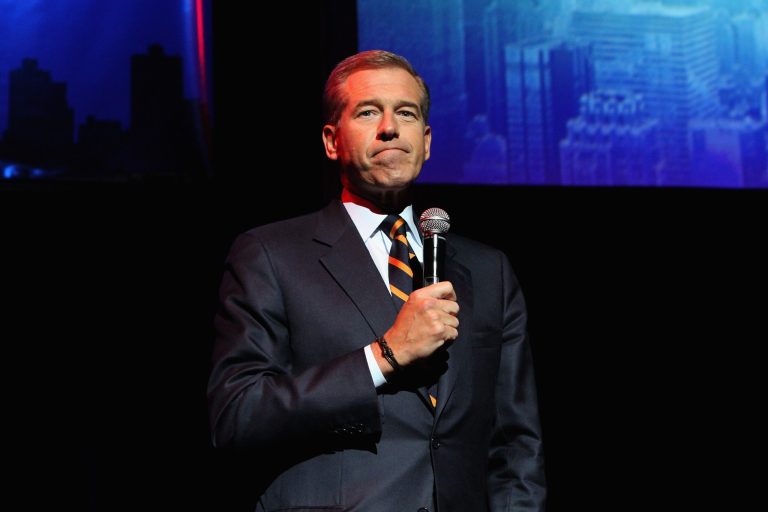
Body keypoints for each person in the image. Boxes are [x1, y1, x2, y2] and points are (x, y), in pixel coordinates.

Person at [208, 50, 545, 511]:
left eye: (406, 113)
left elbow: (516, 445)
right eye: (369, 112)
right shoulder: (271, 255)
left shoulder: (488, 271)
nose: (390, 127)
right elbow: (238, 416)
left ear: (425, 141)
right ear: (332, 140)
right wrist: (384, 356)